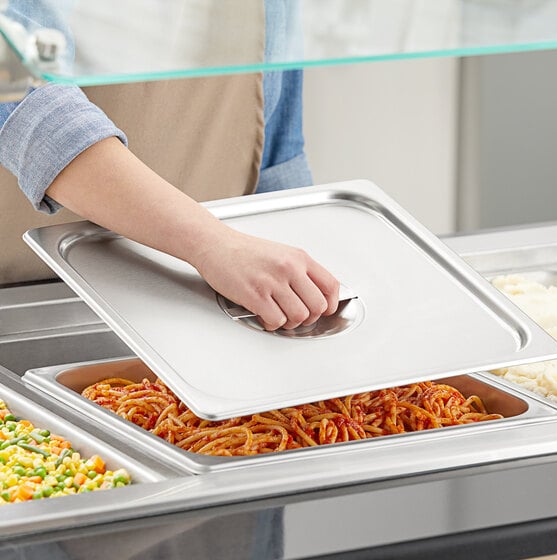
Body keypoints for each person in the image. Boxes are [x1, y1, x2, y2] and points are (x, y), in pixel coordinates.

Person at [0, 0, 340, 331]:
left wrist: (308, 280)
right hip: (26, 304)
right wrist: (213, 245)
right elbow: (17, 86)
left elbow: (277, 149)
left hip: (208, 303)